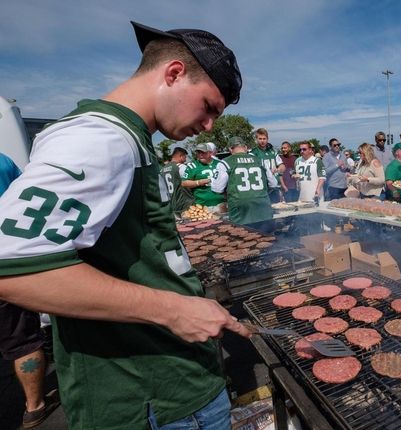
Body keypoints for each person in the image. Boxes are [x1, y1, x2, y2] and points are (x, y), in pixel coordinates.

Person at [0, 21, 251, 429]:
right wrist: (174, 309)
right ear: (173, 73)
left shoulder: (130, 137)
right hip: (149, 398)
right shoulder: (101, 137)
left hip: (176, 384)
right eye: (209, 107)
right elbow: (12, 265)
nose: (209, 126)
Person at [0, 152, 60, 429]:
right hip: (7, 264)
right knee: (23, 340)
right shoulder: (2, 161)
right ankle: (34, 407)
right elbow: (29, 201)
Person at [214, 137, 273, 226]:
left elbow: (217, 188)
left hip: (240, 206)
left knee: (243, 235)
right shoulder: (260, 161)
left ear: (230, 149)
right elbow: (273, 183)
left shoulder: (224, 163)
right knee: (267, 235)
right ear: (245, 147)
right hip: (262, 204)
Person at [182, 143, 226, 212]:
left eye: (203, 152)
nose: (200, 155)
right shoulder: (192, 166)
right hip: (202, 206)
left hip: (222, 204)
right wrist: (198, 182)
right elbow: (184, 183)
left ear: (210, 153)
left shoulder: (220, 164)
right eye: (198, 152)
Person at [250, 128, 284, 203]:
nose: (262, 141)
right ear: (256, 139)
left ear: (267, 139)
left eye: (264, 139)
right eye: (260, 138)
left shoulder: (272, 152)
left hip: (274, 188)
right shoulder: (253, 153)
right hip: (262, 189)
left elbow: (282, 166)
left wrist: (278, 169)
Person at [161, 146, 195, 215]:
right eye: (185, 157)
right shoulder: (181, 167)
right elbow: (191, 182)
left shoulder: (162, 170)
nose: (185, 160)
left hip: (171, 205)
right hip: (185, 204)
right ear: (181, 156)